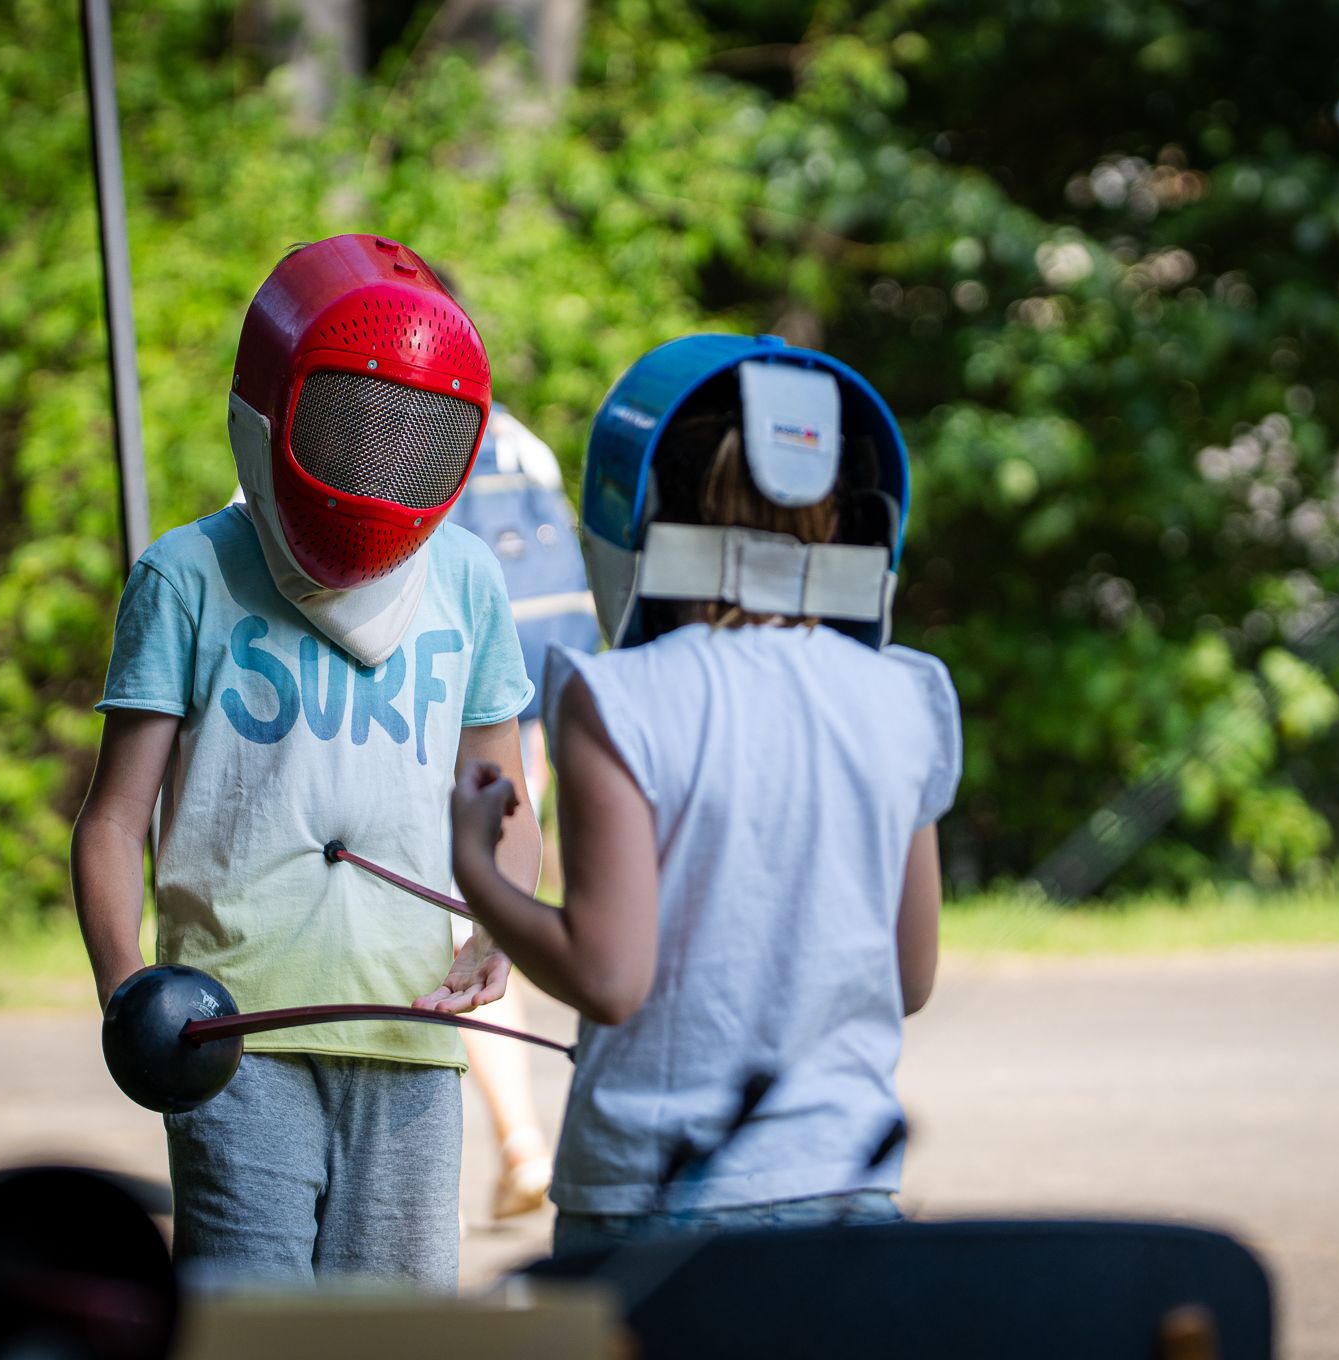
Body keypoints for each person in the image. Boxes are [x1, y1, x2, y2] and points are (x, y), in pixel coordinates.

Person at [71, 234, 540, 1287]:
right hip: (229, 1035)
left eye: (405, 428)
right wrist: (126, 992)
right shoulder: (186, 574)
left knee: (393, 1343)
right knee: (251, 1332)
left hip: (409, 1033)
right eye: (350, 420)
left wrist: (501, 926)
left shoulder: (466, 579)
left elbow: (507, 803)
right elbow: (111, 819)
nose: (377, 451)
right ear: (276, 410)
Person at [445, 336, 961, 1251]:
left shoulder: (615, 696)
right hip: (845, 1186)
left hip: (650, 1201)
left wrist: (476, 868)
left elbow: (609, 978)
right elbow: (909, 977)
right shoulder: (907, 693)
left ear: (637, 509)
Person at [443, 402, 601, 1220]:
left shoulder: (380, 427)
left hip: (427, 699)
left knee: (458, 928)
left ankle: (516, 1142)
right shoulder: (521, 441)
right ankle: (523, 1142)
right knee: (490, 909)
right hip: (522, 702)